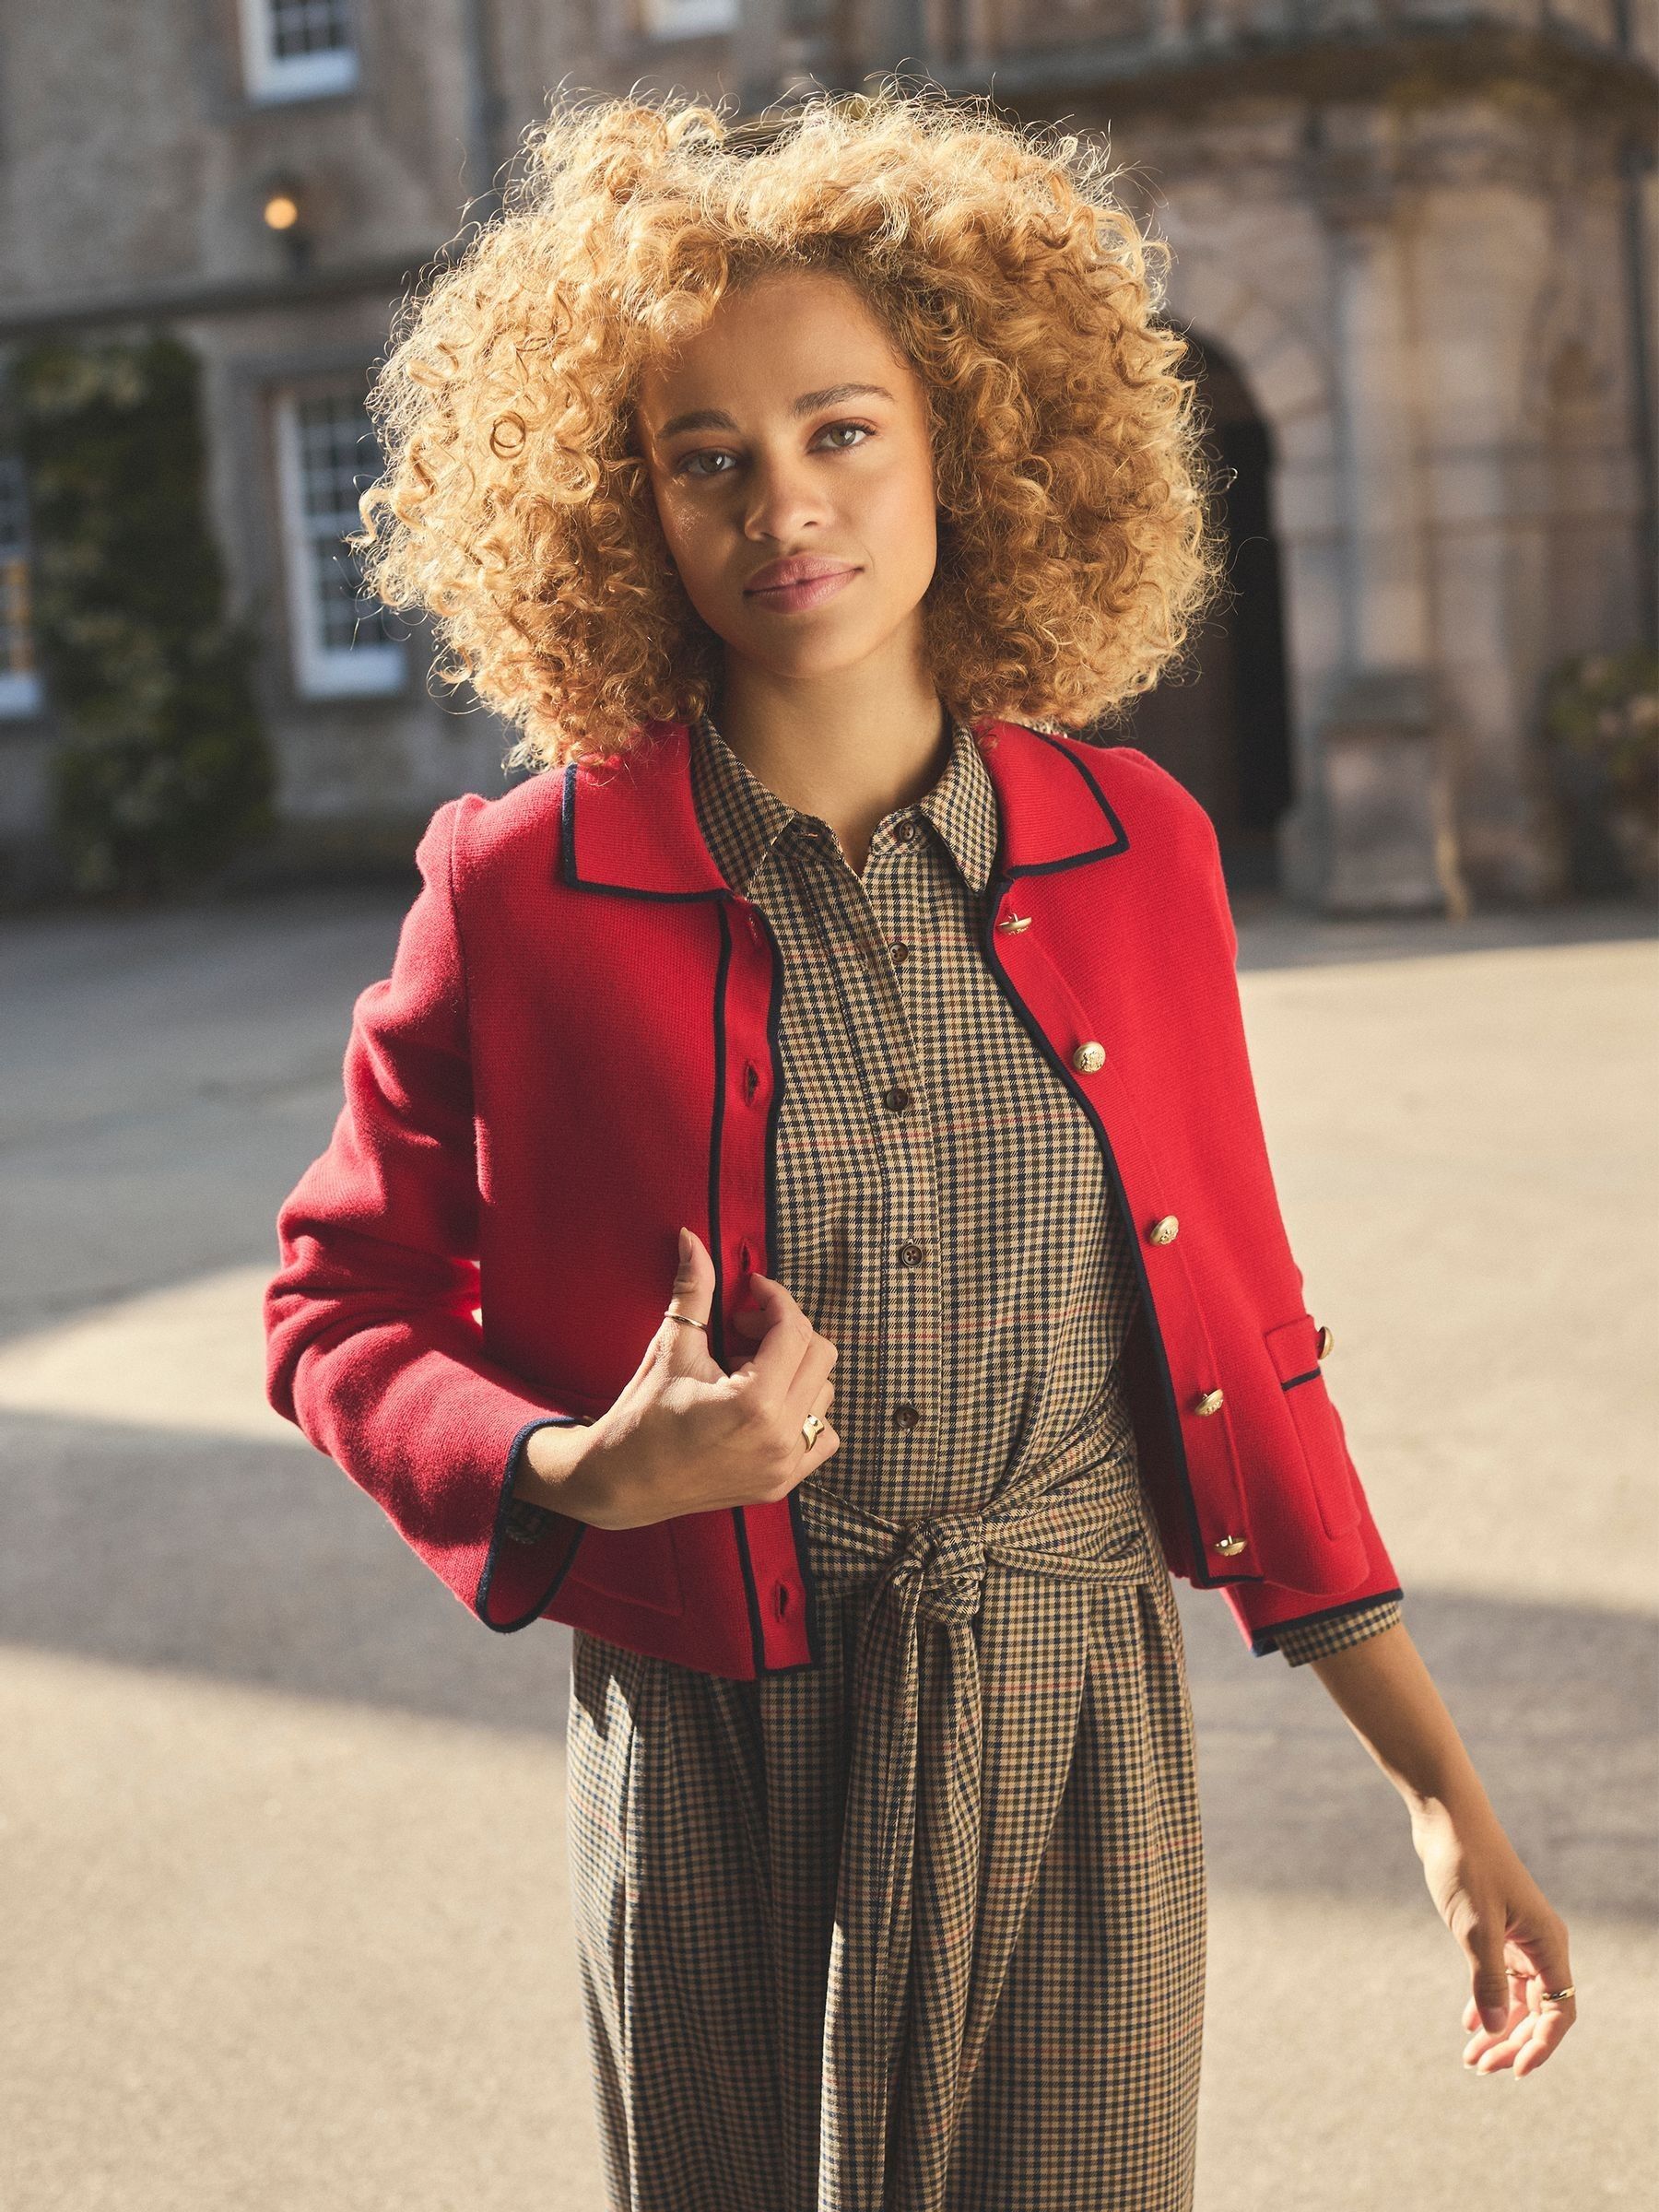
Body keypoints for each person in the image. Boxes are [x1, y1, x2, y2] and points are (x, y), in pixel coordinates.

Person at [264, 82, 1577, 2212]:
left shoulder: (1142, 849)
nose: (784, 504)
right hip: (716, 1755)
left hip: (1074, 1736)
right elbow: (340, 1307)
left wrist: (1438, 1788)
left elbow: (1247, 1345)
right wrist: (573, 1470)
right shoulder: (515, 885)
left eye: (842, 430)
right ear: (625, 508)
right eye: (707, 457)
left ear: (969, 440)